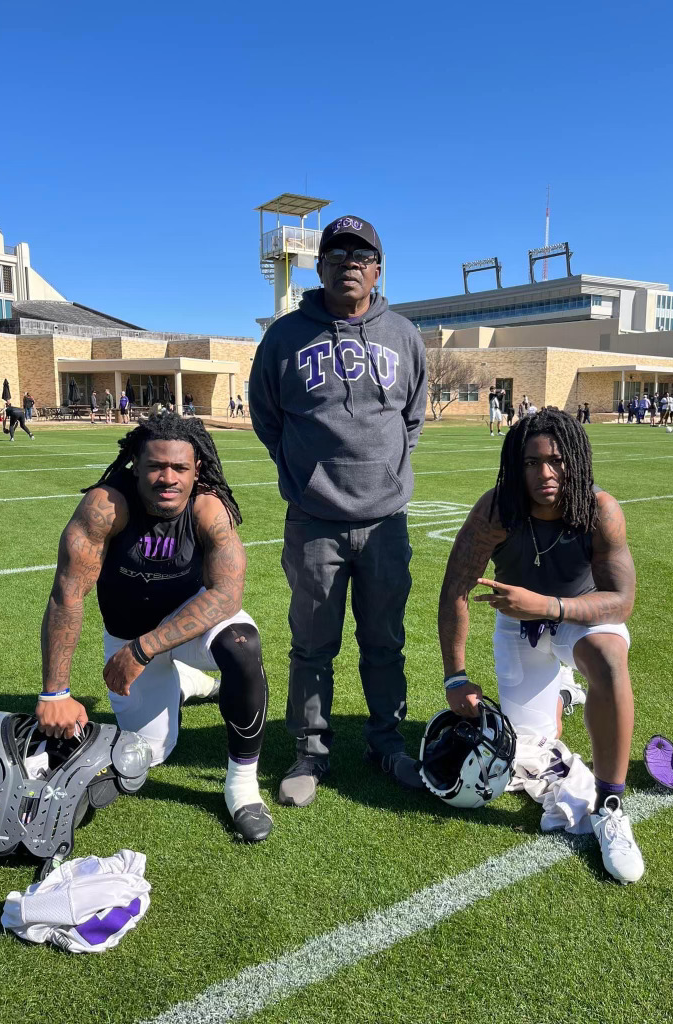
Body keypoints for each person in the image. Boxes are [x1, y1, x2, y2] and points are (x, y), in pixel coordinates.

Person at [249, 213, 428, 807]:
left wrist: (384, 473)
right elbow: (265, 417)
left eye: (361, 256)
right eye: (337, 254)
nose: (349, 264)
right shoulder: (284, 336)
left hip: (385, 522)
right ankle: (310, 751)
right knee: (312, 644)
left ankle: (386, 741)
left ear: (377, 269)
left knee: (385, 642)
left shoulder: (403, 334)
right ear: (318, 264)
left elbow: (413, 418)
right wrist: (305, 472)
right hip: (314, 522)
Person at [35, 413, 272, 842]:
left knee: (242, 642)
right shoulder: (106, 507)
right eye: (156, 466)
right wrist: (56, 693)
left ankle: (241, 783)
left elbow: (226, 596)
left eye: (180, 468)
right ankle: (183, 685)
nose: (168, 478)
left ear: (196, 468)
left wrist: (143, 651)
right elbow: (66, 595)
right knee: (147, 756)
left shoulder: (208, 508)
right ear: (135, 465)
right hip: (128, 634)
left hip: (181, 633)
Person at [438, 409, 644, 883]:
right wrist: (455, 676)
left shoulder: (600, 509)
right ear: (517, 464)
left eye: (555, 461)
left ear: (575, 460)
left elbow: (622, 601)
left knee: (610, 661)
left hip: (578, 616)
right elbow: (456, 589)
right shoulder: (497, 510)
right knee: (529, 750)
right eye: (531, 463)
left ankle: (610, 804)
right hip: (518, 625)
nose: (544, 474)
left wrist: (549, 606)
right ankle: (562, 692)